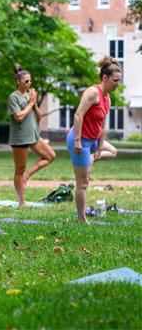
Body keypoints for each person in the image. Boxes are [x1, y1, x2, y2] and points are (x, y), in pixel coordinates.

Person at [67, 56, 121, 224]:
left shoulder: (107, 99)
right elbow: (78, 115)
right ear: (104, 78)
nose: (117, 84)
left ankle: (89, 159)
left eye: (119, 81)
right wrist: (77, 140)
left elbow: (102, 126)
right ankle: (82, 218)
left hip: (93, 140)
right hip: (80, 140)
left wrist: (98, 149)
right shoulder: (92, 92)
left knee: (112, 151)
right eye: (115, 80)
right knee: (83, 183)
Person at [7, 64, 56, 206]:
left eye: (30, 81)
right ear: (18, 82)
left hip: (33, 135)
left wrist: (34, 104)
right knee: (19, 169)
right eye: (26, 81)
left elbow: (39, 117)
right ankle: (22, 201)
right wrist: (30, 103)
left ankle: (27, 175)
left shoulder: (30, 96)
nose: (29, 84)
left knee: (50, 156)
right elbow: (19, 117)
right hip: (20, 138)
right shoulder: (13, 97)